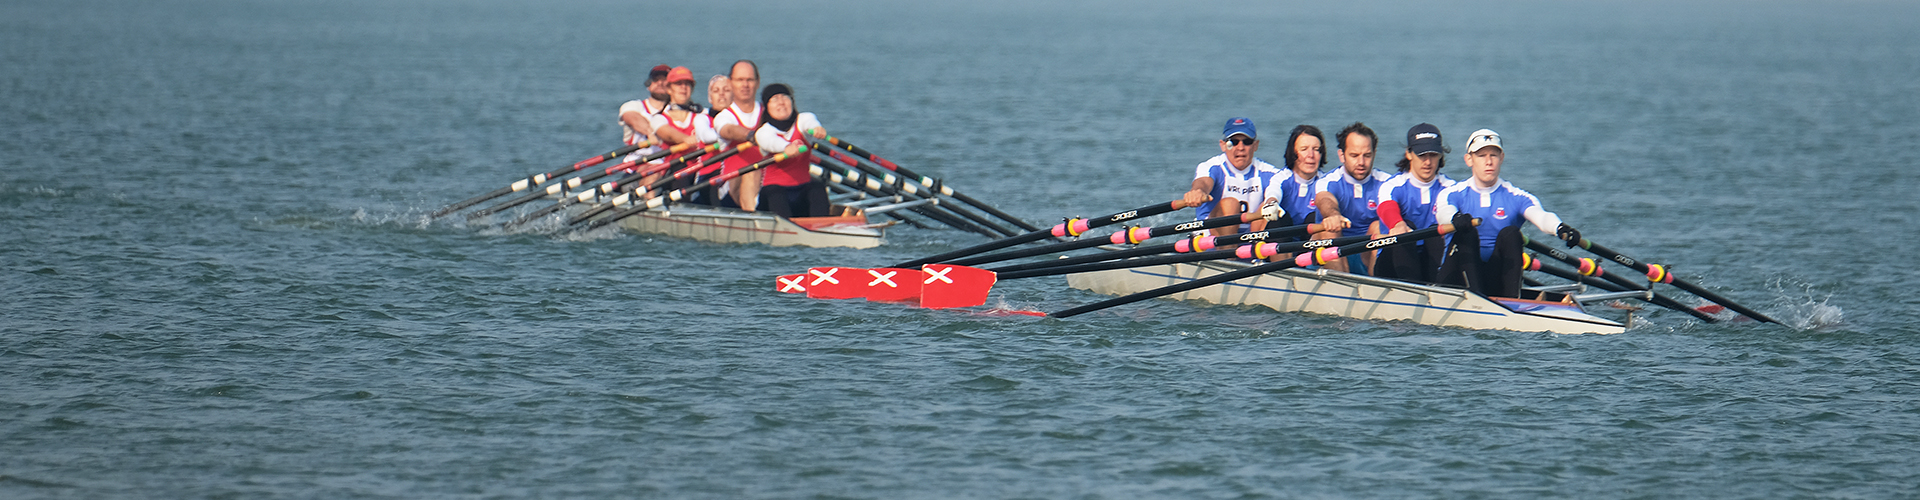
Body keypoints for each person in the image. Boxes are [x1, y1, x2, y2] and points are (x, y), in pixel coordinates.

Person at [1433, 129, 1582, 298]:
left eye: (1493, 155)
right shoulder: (1452, 193)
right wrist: (1455, 218)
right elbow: (1444, 212)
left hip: (1494, 278)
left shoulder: (1517, 196)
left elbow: (1541, 216)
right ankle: (1478, 298)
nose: (1488, 162)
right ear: (1469, 160)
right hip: (1457, 277)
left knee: (1511, 234)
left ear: (1501, 158)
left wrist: (1560, 228)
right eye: (1481, 156)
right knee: (1466, 231)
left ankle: (1512, 300)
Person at [1371, 123, 1456, 283]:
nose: (1428, 162)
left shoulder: (1451, 188)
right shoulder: (1392, 186)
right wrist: (1397, 224)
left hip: (1431, 261)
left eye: (1433, 154)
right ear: (1409, 154)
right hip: (1393, 264)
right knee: (1406, 229)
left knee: (1435, 233)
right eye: (1422, 155)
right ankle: (1416, 290)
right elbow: (1386, 208)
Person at [1308, 122, 1393, 274]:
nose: (1361, 162)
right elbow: (1325, 199)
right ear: (1342, 155)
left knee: (1378, 227)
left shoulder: (1387, 182)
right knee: (1329, 229)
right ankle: (1340, 285)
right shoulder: (1328, 182)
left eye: (1367, 155)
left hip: (1366, 254)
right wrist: (1333, 215)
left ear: (1374, 153)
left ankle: (1376, 287)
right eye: (1354, 155)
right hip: (1334, 252)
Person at [1181, 117, 1281, 238]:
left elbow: (1286, 184)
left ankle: (1256, 252)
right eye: (1233, 141)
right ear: (1223, 145)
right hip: (1210, 240)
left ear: (1255, 145)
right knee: (1230, 205)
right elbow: (1203, 183)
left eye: (1247, 141)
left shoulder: (1269, 172)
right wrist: (1197, 192)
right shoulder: (1210, 167)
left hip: (1250, 241)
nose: (1240, 147)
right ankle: (1226, 254)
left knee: (1270, 205)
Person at [751, 83, 832, 218]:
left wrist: (817, 128)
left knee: (817, 187)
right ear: (767, 107)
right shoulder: (763, 132)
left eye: (785, 97)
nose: (781, 102)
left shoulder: (803, 120)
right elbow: (770, 141)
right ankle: (787, 229)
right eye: (775, 99)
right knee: (775, 192)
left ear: (792, 102)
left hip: (801, 192)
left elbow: (810, 122)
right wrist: (785, 148)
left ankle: (822, 226)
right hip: (773, 194)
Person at [647, 67, 721, 201]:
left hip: (701, 170)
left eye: (687, 84)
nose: (683, 88)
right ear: (669, 89)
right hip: (674, 174)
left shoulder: (703, 115)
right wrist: (686, 139)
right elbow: (668, 134)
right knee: (680, 168)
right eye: (678, 84)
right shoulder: (659, 118)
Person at [1253, 125, 1328, 232]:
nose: (1311, 155)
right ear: (1293, 153)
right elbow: (1273, 191)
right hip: (1283, 238)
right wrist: (1272, 202)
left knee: (1315, 216)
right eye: (1304, 149)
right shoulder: (1282, 178)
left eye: (1316, 150)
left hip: (1311, 240)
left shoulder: (1325, 182)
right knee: (1268, 210)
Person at [710, 60, 763, 209]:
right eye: (740, 80)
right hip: (732, 185)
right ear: (730, 83)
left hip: (768, 181)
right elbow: (729, 130)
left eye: (749, 80)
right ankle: (755, 217)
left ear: (757, 83)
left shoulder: (769, 113)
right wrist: (751, 135)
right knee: (751, 172)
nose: (745, 85)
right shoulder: (724, 116)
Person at [617, 65, 673, 165]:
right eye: (656, 80)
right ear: (649, 85)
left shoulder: (678, 112)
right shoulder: (634, 106)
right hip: (637, 164)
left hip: (669, 163)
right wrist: (652, 133)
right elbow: (633, 119)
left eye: (665, 80)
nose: (660, 83)